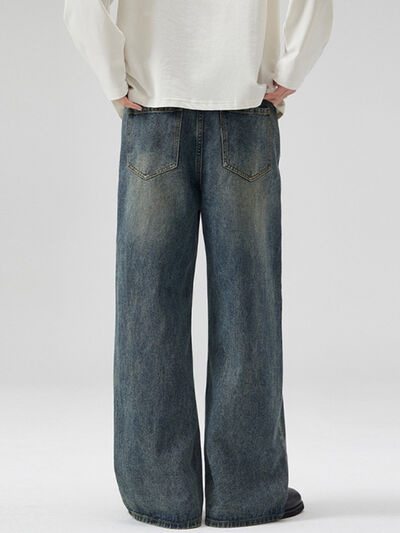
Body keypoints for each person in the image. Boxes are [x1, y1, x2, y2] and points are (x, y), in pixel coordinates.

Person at [63, 0, 333, 528]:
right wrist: (292, 67)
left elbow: (81, 5)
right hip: (245, 106)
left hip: (153, 108)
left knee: (147, 309)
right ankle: (246, 493)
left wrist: (112, 77)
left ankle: (160, 493)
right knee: (249, 306)